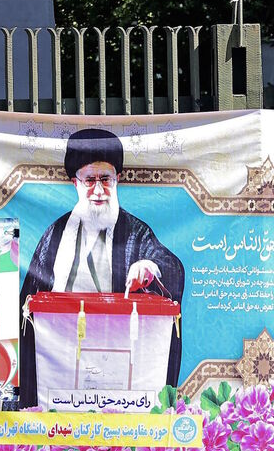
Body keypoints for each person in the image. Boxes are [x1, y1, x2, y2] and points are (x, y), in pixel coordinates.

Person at [19, 128, 185, 407]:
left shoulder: (135, 231)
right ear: (75, 183)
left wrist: (148, 267)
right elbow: (28, 303)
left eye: (105, 179)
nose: (98, 190)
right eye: (90, 180)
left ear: (117, 179)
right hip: (61, 356)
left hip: (117, 352)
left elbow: (171, 266)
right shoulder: (56, 234)